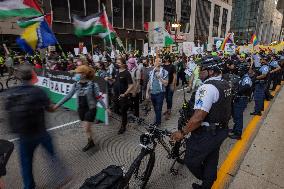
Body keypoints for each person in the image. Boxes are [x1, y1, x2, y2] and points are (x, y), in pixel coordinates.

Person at [4, 64, 70, 189]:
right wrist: (55, 106)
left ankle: (29, 186)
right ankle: (60, 177)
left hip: (23, 135)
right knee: (51, 155)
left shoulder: (11, 93)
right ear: (33, 75)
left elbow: (8, 112)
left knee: (26, 163)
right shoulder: (38, 91)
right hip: (40, 132)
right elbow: (50, 109)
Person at [171, 56, 232, 189]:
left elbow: (198, 117)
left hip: (206, 133)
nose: (199, 71)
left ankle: (206, 178)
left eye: (201, 68)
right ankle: (207, 184)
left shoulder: (207, 88)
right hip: (220, 131)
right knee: (211, 158)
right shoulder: (225, 83)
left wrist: (182, 132)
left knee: (191, 160)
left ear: (210, 71)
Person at [54, 65, 110, 151]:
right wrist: (57, 105)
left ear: (84, 74)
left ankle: (90, 142)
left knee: (86, 127)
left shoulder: (93, 85)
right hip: (80, 109)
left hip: (91, 108)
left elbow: (98, 97)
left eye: (78, 73)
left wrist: (106, 108)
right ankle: (91, 141)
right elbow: (68, 96)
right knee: (86, 129)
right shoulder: (76, 85)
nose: (76, 74)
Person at [229, 65, 253, 140]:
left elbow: (247, 86)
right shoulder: (242, 77)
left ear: (244, 71)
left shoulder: (246, 78)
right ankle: (235, 129)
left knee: (238, 116)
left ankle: (238, 134)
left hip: (242, 99)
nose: (239, 72)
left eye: (240, 70)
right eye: (238, 70)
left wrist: (238, 91)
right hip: (238, 99)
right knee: (235, 115)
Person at [112, 58, 134, 134]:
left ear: (124, 64)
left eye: (119, 63)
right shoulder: (116, 71)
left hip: (123, 96)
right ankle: (123, 120)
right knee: (115, 109)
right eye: (116, 62)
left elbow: (131, 85)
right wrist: (110, 79)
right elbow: (116, 81)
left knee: (123, 111)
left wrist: (125, 94)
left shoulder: (127, 73)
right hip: (116, 95)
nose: (117, 64)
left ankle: (123, 126)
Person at [146, 57, 169, 126]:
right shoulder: (151, 72)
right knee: (155, 108)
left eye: (159, 61)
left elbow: (166, 83)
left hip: (160, 93)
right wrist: (147, 92)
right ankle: (157, 119)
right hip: (153, 93)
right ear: (154, 62)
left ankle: (157, 123)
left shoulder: (164, 72)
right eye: (156, 61)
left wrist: (160, 77)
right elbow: (149, 82)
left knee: (159, 108)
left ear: (161, 63)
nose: (158, 62)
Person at [162, 55, 176, 120]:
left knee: (169, 98)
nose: (163, 59)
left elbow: (175, 76)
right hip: (164, 85)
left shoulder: (172, 66)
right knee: (166, 98)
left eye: (164, 58)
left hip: (170, 84)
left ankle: (169, 110)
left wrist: (173, 84)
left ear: (167, 59)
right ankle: (168, 109)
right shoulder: (163, 66)